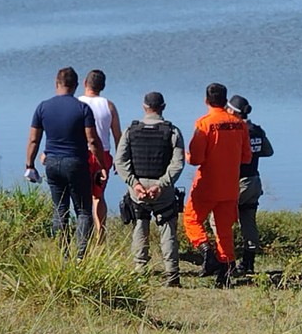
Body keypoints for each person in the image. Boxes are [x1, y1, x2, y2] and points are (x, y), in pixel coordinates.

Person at [25, 67, 105, 260]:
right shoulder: (82, 108)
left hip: (51, 163)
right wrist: (101, 165)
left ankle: (64, 256)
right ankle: (80, 256)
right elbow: (92, 141)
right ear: (76, 86)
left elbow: (34, 140)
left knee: (60, 209)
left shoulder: (42, 107)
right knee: (83, 211)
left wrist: (29, 164)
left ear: (56, 83)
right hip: (76, 163)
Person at [182, 83, 252, 287]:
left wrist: (186, 156)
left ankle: (208, 254)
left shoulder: (204, 124)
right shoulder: (240, 124)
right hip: (230, 186)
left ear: (206, 101)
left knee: (191, 219)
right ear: (225, 101)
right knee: (224, 230)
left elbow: (195, 159)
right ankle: (227, 270)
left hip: (207, 185)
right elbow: (246, 157)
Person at [115, 92, 185, 286]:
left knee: (139, 225)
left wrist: (134, 183)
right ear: (163, 107)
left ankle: (140, 272)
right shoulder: (172, 131)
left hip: (138, 190)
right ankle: (172, 274)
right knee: (167, 229)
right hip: (163, 189)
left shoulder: (131, 130)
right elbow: (177, 164)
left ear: (144, 107)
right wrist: (161, 185)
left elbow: (120, 160)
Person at [226, 95, 274, 275]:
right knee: (249, 222)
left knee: (220, 221)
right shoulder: (257, 130)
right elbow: (268, 151)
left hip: (238, 183)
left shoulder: (235, 131)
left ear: (232, 111)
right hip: (254, 180)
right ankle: (248, 263)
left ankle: (227, 262)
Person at [76, 69, 121, 238]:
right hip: (104, 154)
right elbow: (117, 135)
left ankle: (83, 233)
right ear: (102, 86)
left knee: (82, 195)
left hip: (81, 153)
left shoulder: (77, 103)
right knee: (98, 196)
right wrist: (119, 157)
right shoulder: (108, 105)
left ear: (85, 83)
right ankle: (99, 234)